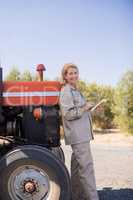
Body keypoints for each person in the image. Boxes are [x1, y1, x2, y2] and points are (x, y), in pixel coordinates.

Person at [59, 63, 99, 200]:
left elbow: (79, 112)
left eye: (76, 73)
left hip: (81, 134)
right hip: (78, 135)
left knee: (77, 169)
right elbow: (68, 113)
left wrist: (90, 109)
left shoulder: (75, 90)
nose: (74, 75)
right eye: (70, 73)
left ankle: (76, 196)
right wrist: (84, 108)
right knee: (87, 169)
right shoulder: (66, 91)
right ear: (65, 76)